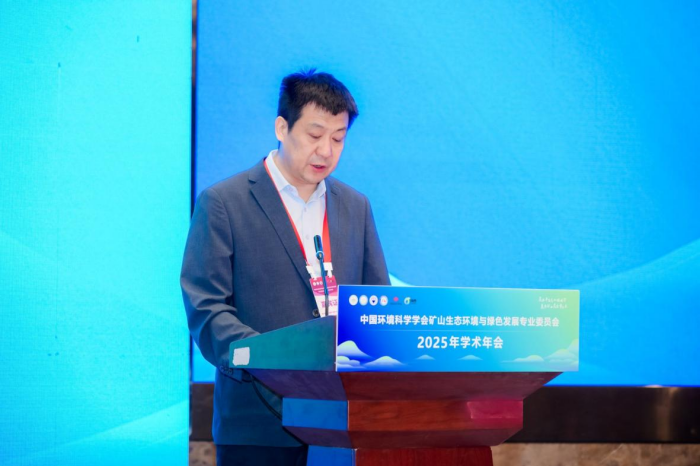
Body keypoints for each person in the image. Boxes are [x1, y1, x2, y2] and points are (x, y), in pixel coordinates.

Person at [181, 69, 390, 466]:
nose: (326, 151)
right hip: (258, 423)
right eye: (315, 135)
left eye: (338, 138)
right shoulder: (224, 203)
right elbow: (207, 309)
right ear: (282, 127)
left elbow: (376, 303)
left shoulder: (355, 206)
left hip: (343, 423)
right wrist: (275, 361)